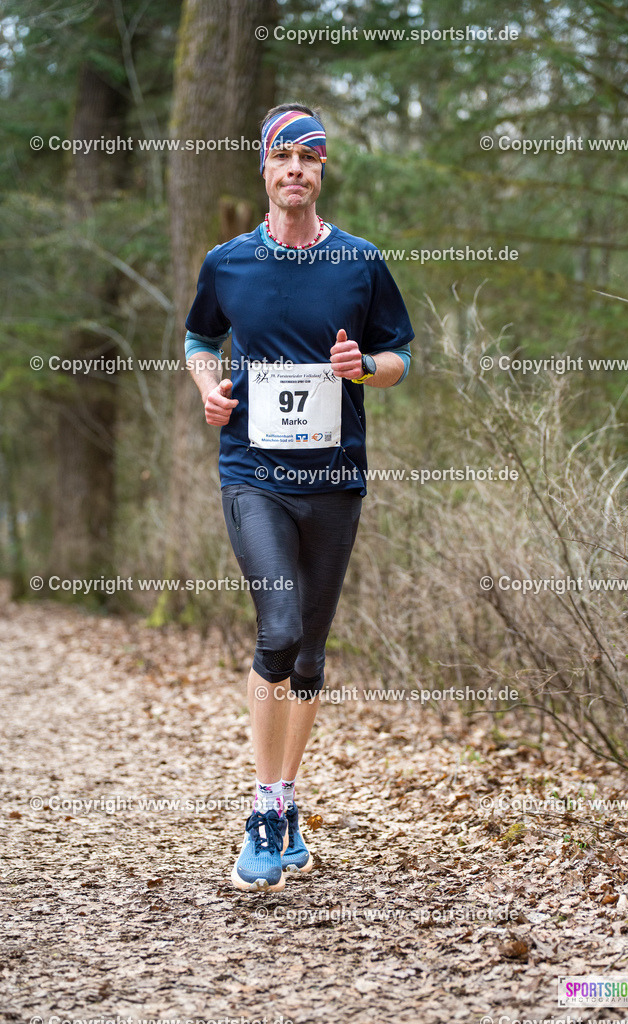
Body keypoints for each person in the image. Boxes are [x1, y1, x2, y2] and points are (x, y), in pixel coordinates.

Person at [184, 103, 413, 892]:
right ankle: (260, 806)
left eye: (307, 159)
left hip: (334, 478)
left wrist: (361, 368)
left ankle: (285, 806)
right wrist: (211, 390)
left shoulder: (359, 261)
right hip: (251, 472)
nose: (294, 171)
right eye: (281, 157)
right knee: (276, 628)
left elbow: (399, 359)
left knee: (310, 656)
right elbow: (196, 340)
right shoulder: (228, 262)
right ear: (263, 171)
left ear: (321, 172)